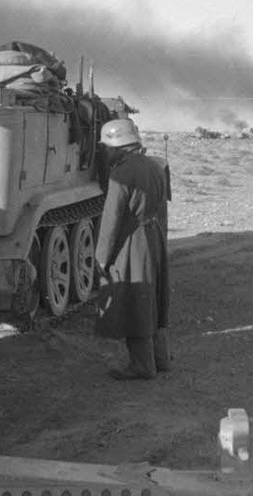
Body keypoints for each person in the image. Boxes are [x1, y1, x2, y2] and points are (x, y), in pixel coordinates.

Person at [93, 117, 172, 380]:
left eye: (107, 147)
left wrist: (101, 259)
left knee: (133, 299)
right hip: (153, 237)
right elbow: (162, 208)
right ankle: (160, 359)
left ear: (116, 147)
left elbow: (111, 220)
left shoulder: (121, 173)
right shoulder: (155, 166)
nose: (105, 152)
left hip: (133, 241)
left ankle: (142, 366)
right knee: (153, 298)